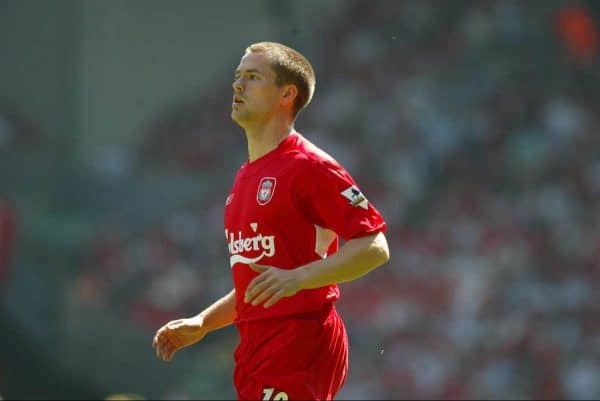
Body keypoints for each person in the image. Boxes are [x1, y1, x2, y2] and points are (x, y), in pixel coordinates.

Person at [152, 41, 390, 400]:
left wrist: (297, 278)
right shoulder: (243, 178)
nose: (237, 85)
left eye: (252, 77)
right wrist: (204, 322)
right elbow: (260, 284)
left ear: (286, 94)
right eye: (237, 77)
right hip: (256, 348)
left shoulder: (310, 166)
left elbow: (375, 246)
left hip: (300, 341)